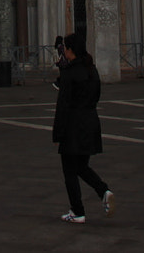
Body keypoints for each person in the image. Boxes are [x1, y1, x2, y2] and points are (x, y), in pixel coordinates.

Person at [51, 31, 115, 224]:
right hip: (90, 121)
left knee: (69, 171)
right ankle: (104, 191)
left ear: (70, 50)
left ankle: (77, 211)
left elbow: (63, 103)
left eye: (66, 49)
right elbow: (96, 96)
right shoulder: (91, 70)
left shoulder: (70, 73)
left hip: (73, 125)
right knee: (81, 166)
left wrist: (58, 133)